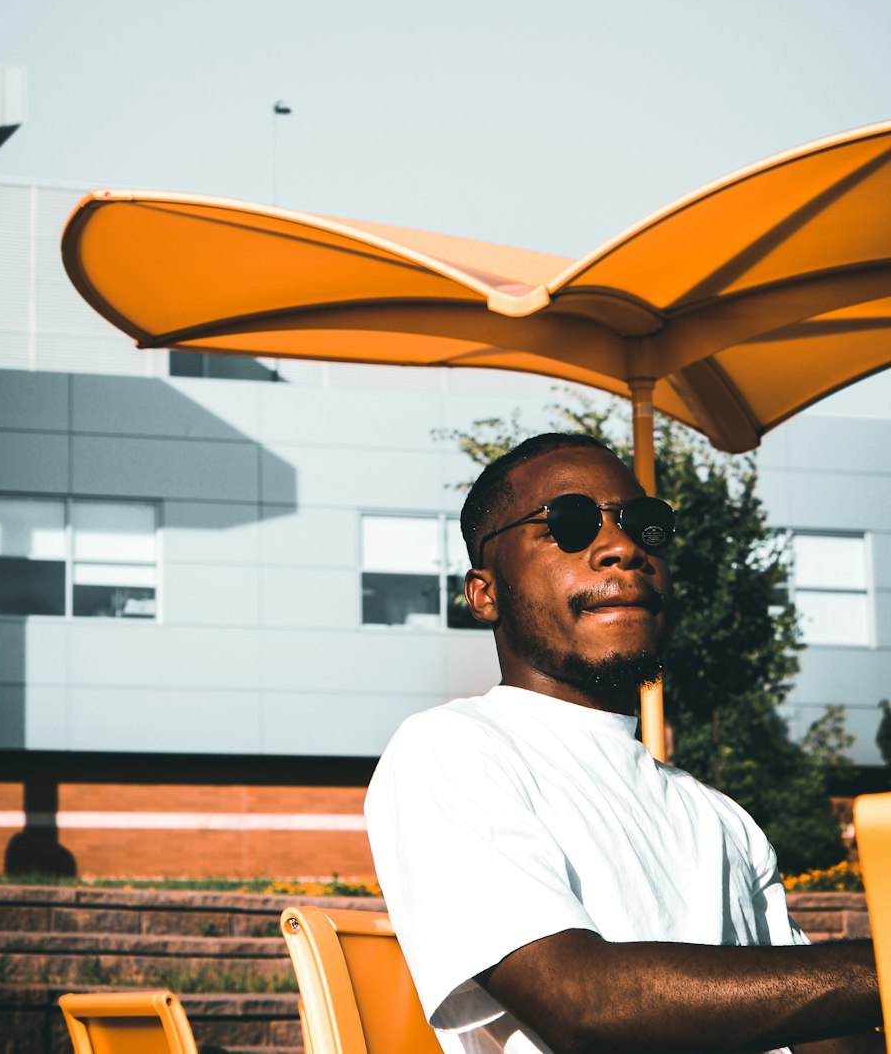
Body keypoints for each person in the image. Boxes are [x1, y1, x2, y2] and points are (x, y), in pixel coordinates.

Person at [364, 432, 883, 1054]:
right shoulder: (451, 751)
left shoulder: (719, 816)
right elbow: (584, 1006)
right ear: (485, 592)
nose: (623, 547)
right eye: (569, 522)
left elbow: (817, 1024)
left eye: (646, 524)